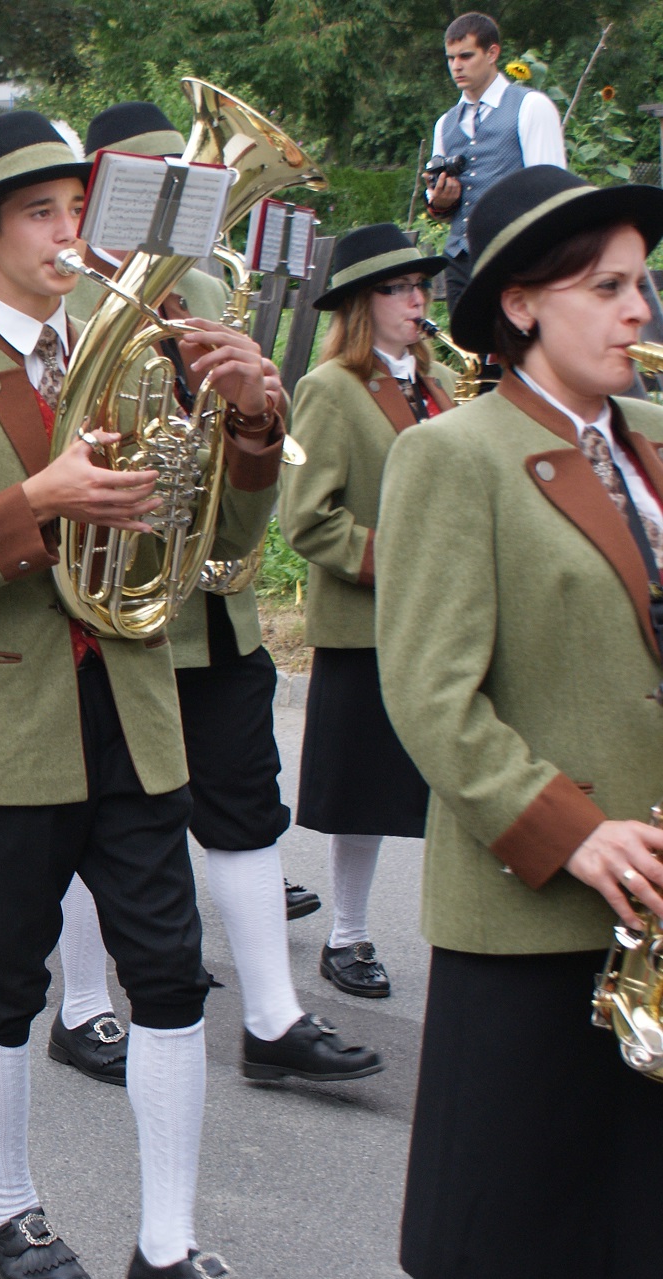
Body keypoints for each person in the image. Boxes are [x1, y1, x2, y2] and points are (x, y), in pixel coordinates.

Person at [0, 110, 281, 1279]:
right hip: (4, 725)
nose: (66, 234)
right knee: (5, 982)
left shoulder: (145, 348)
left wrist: (253, 426)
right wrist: (36, 504)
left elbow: (218, 538)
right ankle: (5, 1212)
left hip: (135, 710)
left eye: (73, 211)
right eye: (39, 214)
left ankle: (165, 1244)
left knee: (170, 977)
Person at [48, 102, 379, 1091]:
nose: (179, 206)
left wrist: (254, 414)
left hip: (213, 600)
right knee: (88, 814)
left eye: (191, 187)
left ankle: (273, 1021)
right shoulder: (61, 293)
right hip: (108, 600)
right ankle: (82, 1006)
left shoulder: (203, 288)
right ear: (101, 192)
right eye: (155, 186)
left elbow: (242, 470)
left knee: (244, 806)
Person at [379, 164, 663, 1279]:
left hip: (654, 907)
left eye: (641, 284)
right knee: (525, 1245)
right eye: (607, 288)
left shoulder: (655, 437)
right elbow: (431, 695)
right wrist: (573, 832)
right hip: (536, 912)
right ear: (521, 303)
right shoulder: (453, 453)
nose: (638, 310)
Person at [280, 223, 457, 1000]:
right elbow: (308, 520)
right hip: (370, 623)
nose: (417, 300)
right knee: (364, 792)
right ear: (360, 304)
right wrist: (407, 560)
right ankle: (347, 935)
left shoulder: (436, 385)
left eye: (420, 286)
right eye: (397, 288)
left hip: (442, 619)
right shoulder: (330, 389)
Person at [424, 11, 566, 309]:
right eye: (450, 58)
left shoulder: (531, 106)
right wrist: (441, 201)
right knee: (466, 340)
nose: (456, 66)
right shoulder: (444, 124)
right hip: (460, 261)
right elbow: (442, 210)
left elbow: (551, 194)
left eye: (466, 56)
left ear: (492, 53)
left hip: (515, 258)